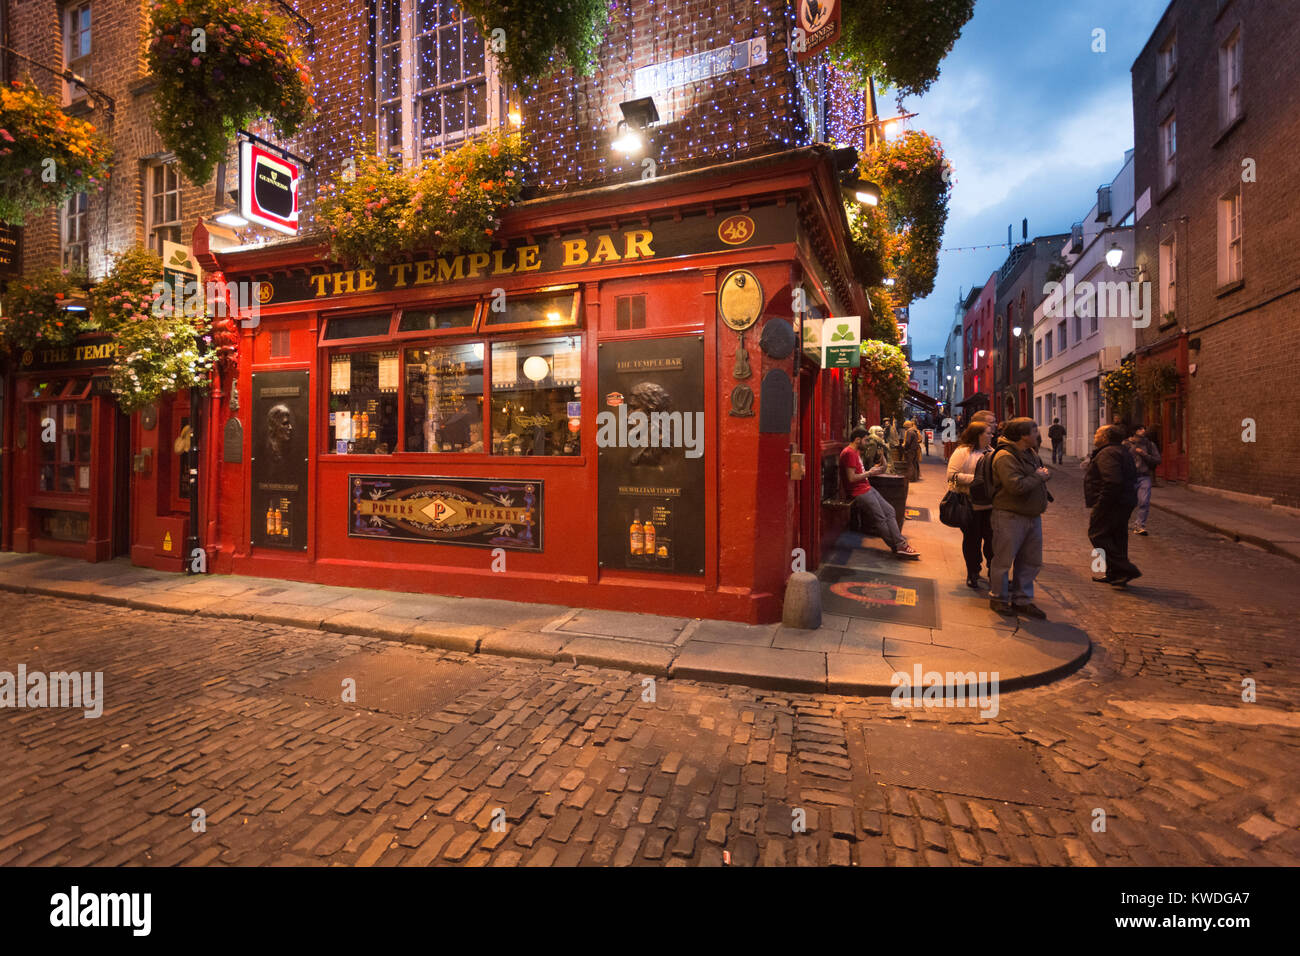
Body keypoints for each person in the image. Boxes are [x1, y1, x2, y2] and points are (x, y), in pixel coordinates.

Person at [987, 417, 1052, 618]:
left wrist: (1041, 476)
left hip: (1032, 515)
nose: (1037, 434)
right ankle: (999, 598)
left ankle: (1022, 600)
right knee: (1004, 560)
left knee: (1031, 560)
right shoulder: (1005, 456)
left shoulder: (1030, 453)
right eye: (1034, 431)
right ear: (1023, 435)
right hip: (1009, 515)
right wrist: (1038, 477)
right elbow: (1015, 486)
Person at [840, 427, 921, 559]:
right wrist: (869, 473)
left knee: (890, 511)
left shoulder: (855, 452)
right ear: (857, 440)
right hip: (859, 491)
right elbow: (851, 478)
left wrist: (881, 457)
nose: (867, 443)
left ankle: (899, 545)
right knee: (881, 518)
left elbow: (878, 468)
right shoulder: (849, 453)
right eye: (865, 440)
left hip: (866, 488)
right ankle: (899, 545)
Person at [1086, 424, 1141, 586]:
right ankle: (1116, 574)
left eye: (1097, 433)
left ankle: (1124, 568)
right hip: (1123, 501)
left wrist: (1101, 504)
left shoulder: (1108, 453)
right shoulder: (1121, 451)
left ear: (1105, 437)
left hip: (1113, 503)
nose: (1095, 436)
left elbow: (1112, 481)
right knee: (1117, 536)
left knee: (1098, 535)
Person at [946, 421, 994, 589]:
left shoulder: (991, 452)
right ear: (978, 435)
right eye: (988, 433)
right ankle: (973, 572)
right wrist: (977, 480)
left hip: (990, 505)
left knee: (992, 541)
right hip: (969, 504)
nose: (991, 435)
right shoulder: (962, 452)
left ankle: (993, 572)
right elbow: (951, 475)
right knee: (972, 540)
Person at [1125, 424, 1162, 535]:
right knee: (1128, 502)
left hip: (1144, 476)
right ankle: (1123, 522)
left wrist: (1144, 454)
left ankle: (1140, 525)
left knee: (1144, 502)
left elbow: (1157, 460)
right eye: (1140, 429)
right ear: (1134, 431)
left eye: (1143, 429)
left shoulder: (1149, 444)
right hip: (1129, 477)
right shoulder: (1125, 444)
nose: (1143, 430)